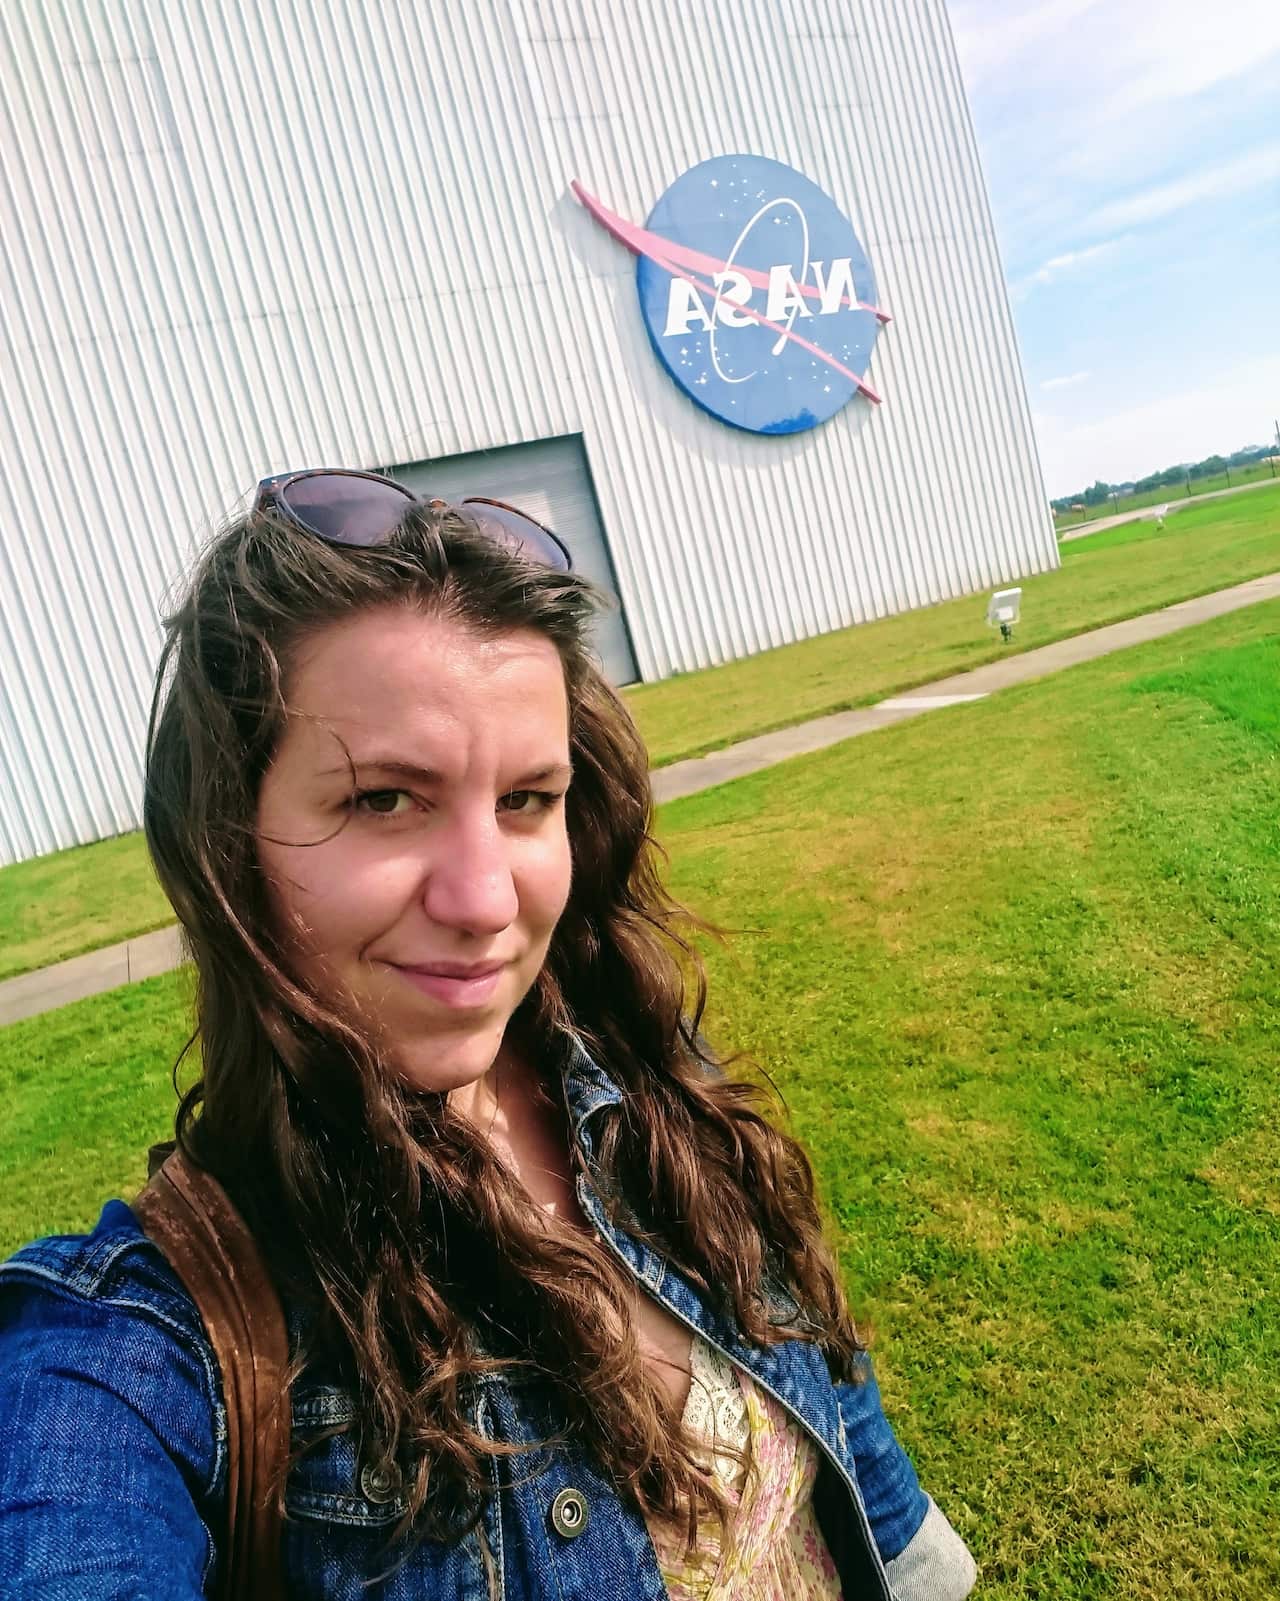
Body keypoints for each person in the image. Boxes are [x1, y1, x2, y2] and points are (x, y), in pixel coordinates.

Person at [0, 469, 977, 1599]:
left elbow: (825, 1402)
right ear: (229, 847)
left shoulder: (645, 1074)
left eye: (526, 799)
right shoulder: (137, 1352)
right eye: (381, 799)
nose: (484, 900)